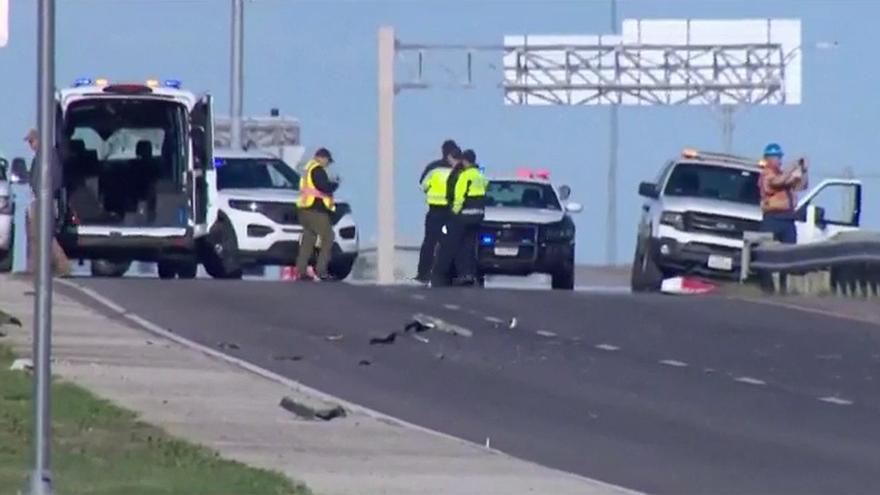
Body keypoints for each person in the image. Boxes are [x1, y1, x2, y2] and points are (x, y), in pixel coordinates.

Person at [431, 149, 487, 287]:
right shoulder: (480, 176)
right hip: (478, 215)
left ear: (465, 161)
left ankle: (462, 274)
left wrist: (454, 214)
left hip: (465, 215)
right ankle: (471, 274)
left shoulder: (465, 176)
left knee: (459, 246)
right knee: (471, 245)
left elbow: (459, 197)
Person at [24, 128, 70, 276]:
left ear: (38, 140)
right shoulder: (40, 156)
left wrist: (46, 194)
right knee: (36, 235)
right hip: (40, 199)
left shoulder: (48, 155)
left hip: (47, 200)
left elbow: (56, 179)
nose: (30, 145)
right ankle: (35, 268)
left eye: (31, 141)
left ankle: (62, 267)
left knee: (45, 235)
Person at [415, 139, 461, 283]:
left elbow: (423, 186)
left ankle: (423, 273)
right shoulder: (459, 169)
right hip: (452, 212)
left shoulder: (433, 167)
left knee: (429, 242)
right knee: (451, 242)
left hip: (435, 211)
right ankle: (449, 273)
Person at [294, 148, 339, 281]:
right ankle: (321, 270)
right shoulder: (317, 169)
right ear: (322, 158)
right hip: (316, 211)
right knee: (328, 236)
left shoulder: (307, 169)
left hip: (305, 210)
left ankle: (301, 270)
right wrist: (334, 185)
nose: (328, 164)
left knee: (308, 239)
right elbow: (323, 187)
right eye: (327, 161)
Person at [758, 142, 808, 244]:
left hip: (787, 218)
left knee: (790, 249)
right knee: (767, 248)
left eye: (780, 157)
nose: (779, 161)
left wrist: (804, 170)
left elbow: (802, 186)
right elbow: (777, 182)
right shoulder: (766, 174)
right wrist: (792, 166)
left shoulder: (782, 174)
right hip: (773, 218)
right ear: (768, 159)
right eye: (776, 157)